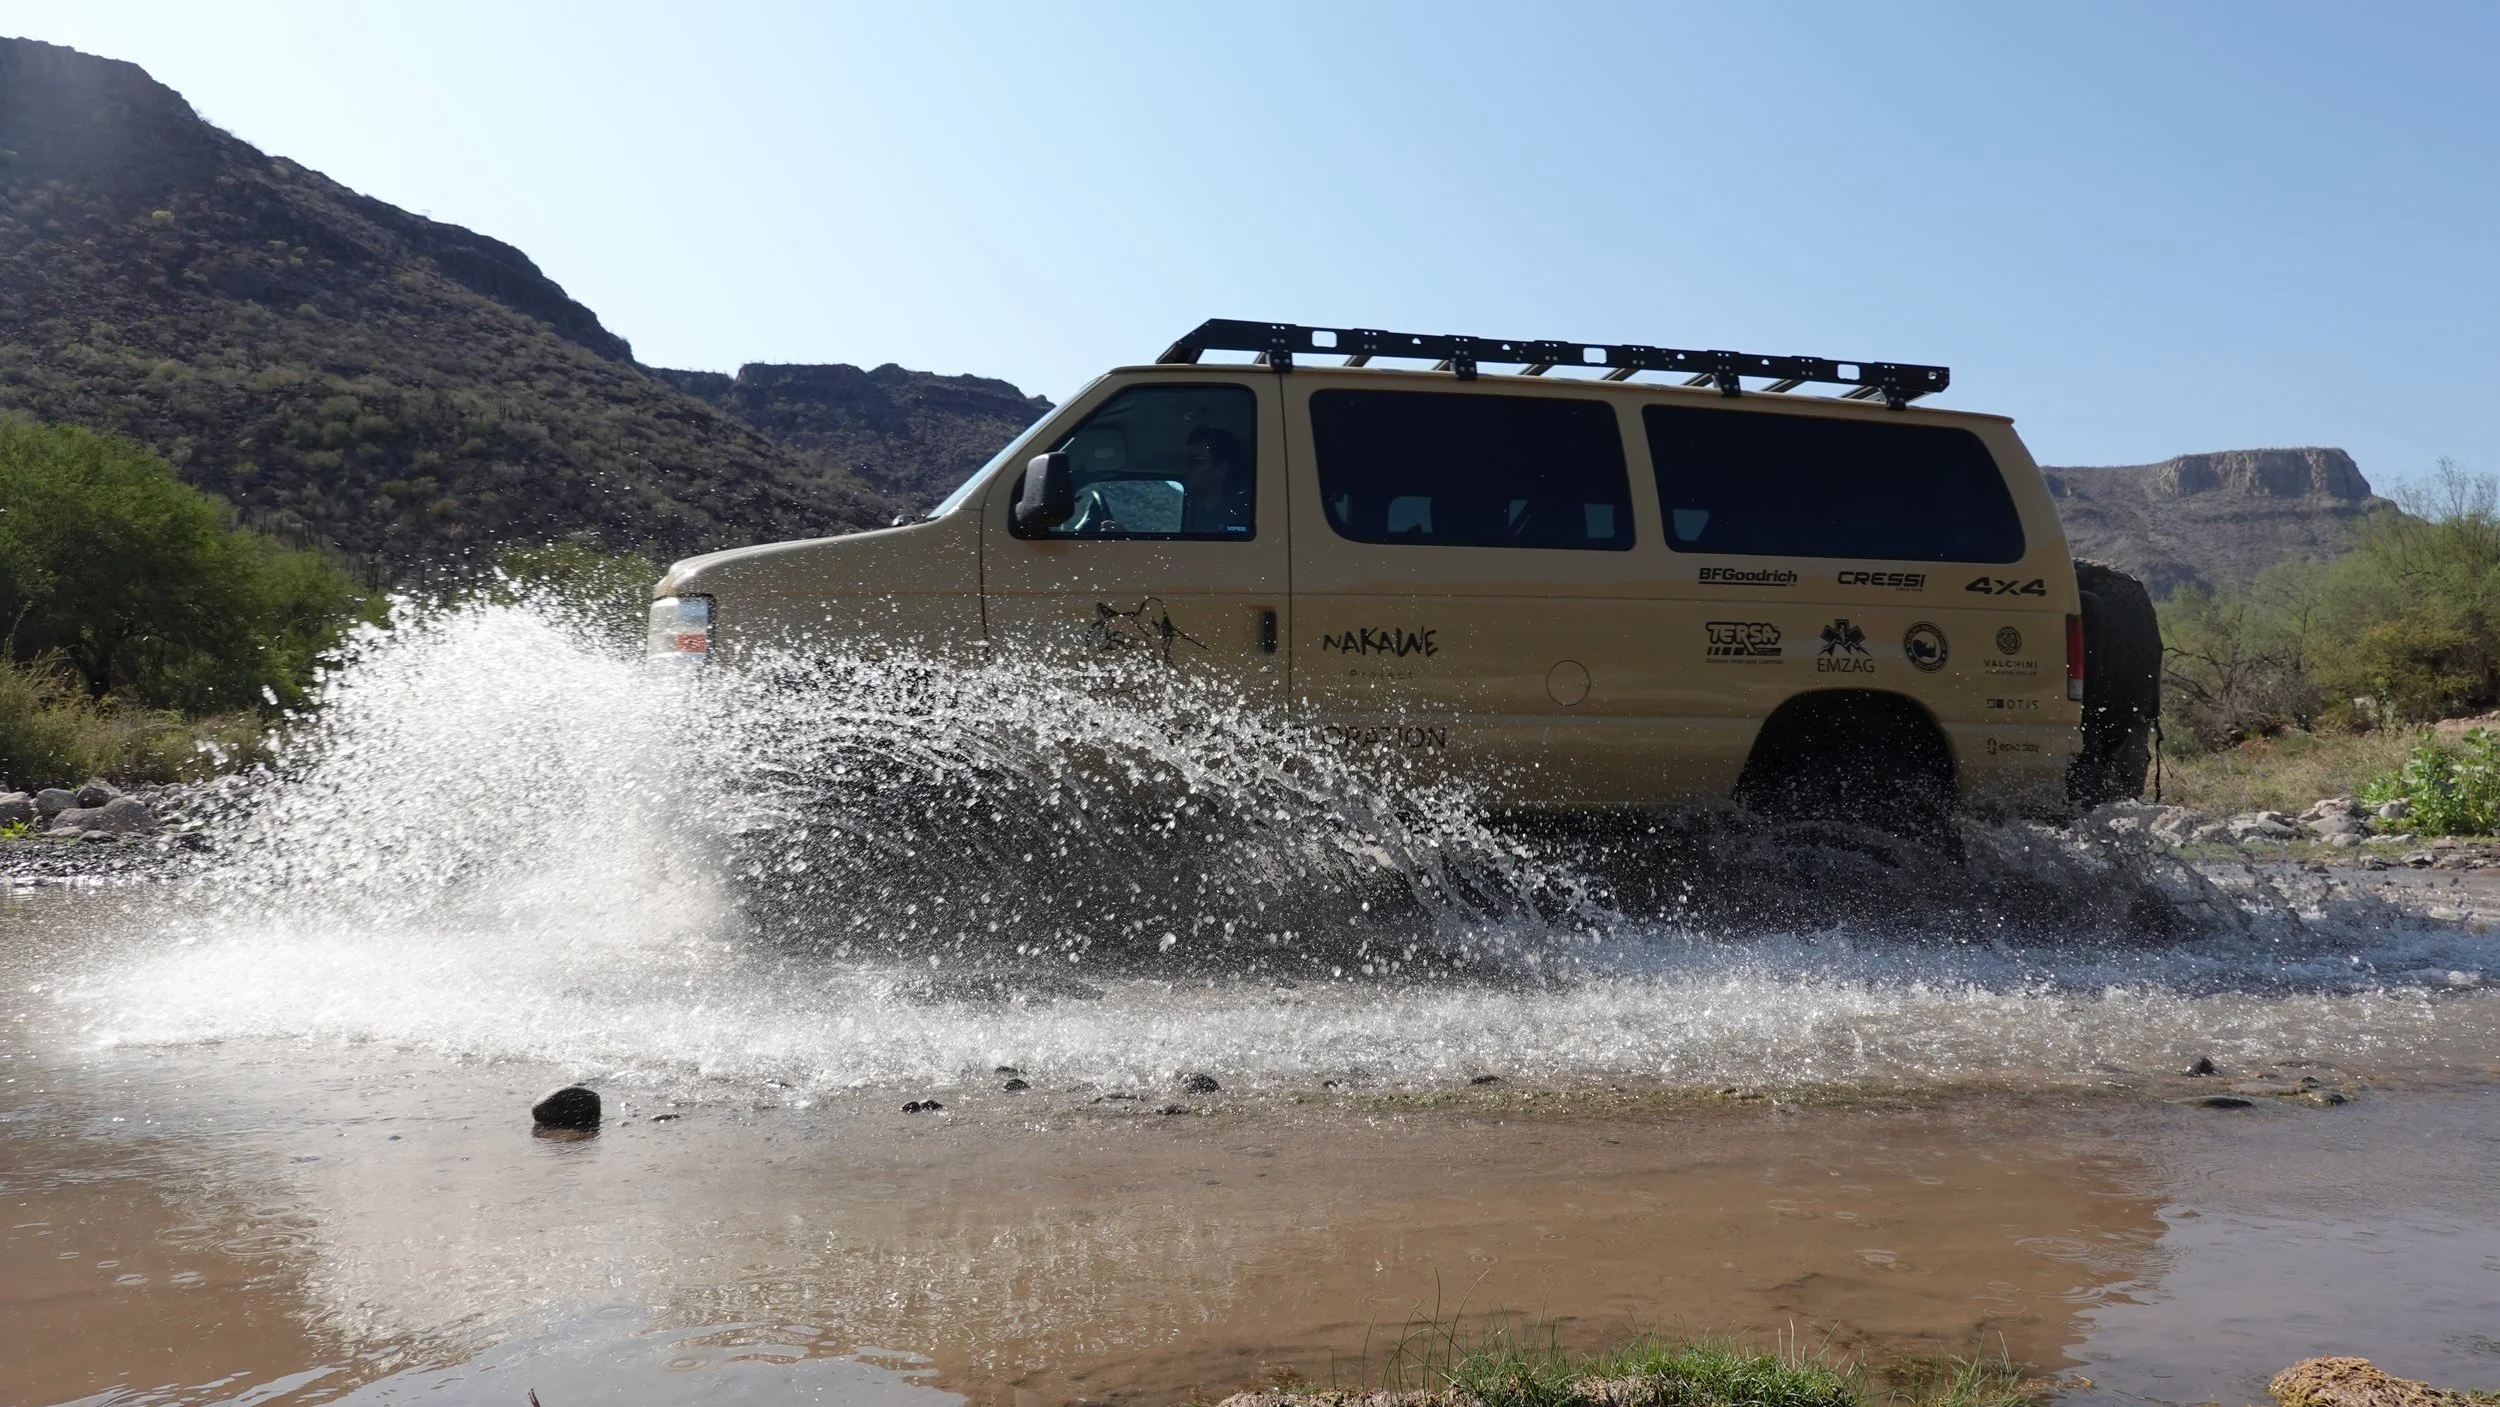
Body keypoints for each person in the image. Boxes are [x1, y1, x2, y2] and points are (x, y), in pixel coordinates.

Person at [1179, 426, 1252, 535]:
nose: (1186, 468)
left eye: (1197, 461)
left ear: (1222, 469)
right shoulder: (1200, 512)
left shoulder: (1242, 516)